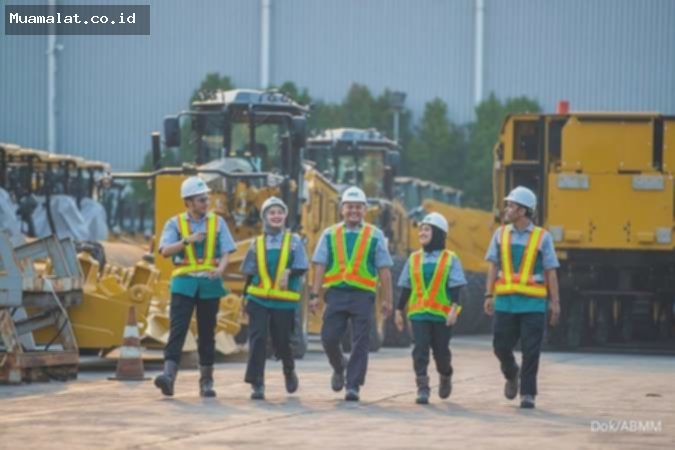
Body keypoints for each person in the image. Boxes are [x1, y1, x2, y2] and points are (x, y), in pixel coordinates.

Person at [154, 176, 236, 397]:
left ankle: (206, 381)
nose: (206, 203)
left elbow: (227, 251)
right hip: (184, 283)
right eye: (201, 200)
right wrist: (186, 240)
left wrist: (220, 270)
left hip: (209, 283)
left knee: (207, 332)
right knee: (178, 330)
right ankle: (168, 376)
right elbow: (165, 251)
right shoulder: (175, 223)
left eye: (206, 198)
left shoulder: (217, 222)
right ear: (188, 202)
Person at [309, 186, 393, 402]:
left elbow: (384, 270)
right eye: (349, 207)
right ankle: (340, 367)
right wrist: (314, 295)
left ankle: (353, 385)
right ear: (342, 209)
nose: (354, 211)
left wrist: (387, 299)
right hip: (336, 294)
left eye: (358, 207)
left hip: (363, 296)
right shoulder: (329, 234)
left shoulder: (375, 235)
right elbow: (320, 265)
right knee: (328, 337)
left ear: (365, 210)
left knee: (361, 341)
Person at [484, 186, 561, 409]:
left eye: (511, 205)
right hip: (505, 303)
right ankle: (511, 373)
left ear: (523, 211)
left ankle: (528, 393)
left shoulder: (542, 237)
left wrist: (555, 302)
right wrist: (488, 294)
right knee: (500, 346)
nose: (507, 209)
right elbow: (493, 266)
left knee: (531, 350)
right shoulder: (500, 234)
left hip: (533, 304)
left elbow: (551, 271)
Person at [240, 197, 308, 400]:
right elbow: (250, 273)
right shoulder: (257, 243)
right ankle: (257, 383)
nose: (276, 216)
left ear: (285, 216)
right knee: (258, 339)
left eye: (280, 212)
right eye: (272, 212)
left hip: (283, 300)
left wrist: (289, 271)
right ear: (265, 217)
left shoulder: (294, 241)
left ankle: (288, 370)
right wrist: (244, 296)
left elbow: (302, 266)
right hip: (258, 298)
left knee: (282, 341)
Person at [395, 212, 466, 404]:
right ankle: (423, 387)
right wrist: (399, 311)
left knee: (441, 353)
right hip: (418, 314)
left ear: (438, 233)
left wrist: (454, 309)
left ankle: (446, 374)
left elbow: (456, 287)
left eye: (427, 229)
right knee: (420, 350)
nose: (422, 233)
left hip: (442, 316)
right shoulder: (414, 258)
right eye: (421, 230)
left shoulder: (450, 258)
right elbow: (406, 287)